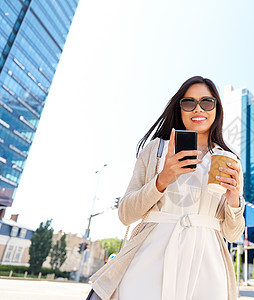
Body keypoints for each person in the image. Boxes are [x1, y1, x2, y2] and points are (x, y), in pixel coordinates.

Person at [89, 76, 245, 300]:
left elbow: (233, 233)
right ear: (180, 108)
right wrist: (162, 179)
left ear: (217, 109)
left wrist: (234, 200)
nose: (198, 109)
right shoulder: (156, 150)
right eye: (189, 102)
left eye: (207, 102)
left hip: (207, 266)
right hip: (150, 259)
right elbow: (125, 214)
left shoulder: (229, 160)